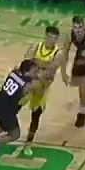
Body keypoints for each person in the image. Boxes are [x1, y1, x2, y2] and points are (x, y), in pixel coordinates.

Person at [0, 59, 39, 158]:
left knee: (4, 124)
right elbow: (36, 86)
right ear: (26, 72)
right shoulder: (27, 85)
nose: (36, 73)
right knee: (15, 134)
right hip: (6, 111)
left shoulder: (14, 73)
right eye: (34, 71)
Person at [20, 26, 64, 156]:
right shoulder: (36, 46)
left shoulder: (58, 53)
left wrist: (36, 63)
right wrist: (41, 68)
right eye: (49, 37)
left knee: (36, 115)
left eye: (54, 38)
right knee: (13, 105)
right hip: (31, 82)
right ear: (45, 36)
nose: (51, 40)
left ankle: (28, 143)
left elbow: (50, 71)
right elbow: (26, 63)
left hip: (42, 87)